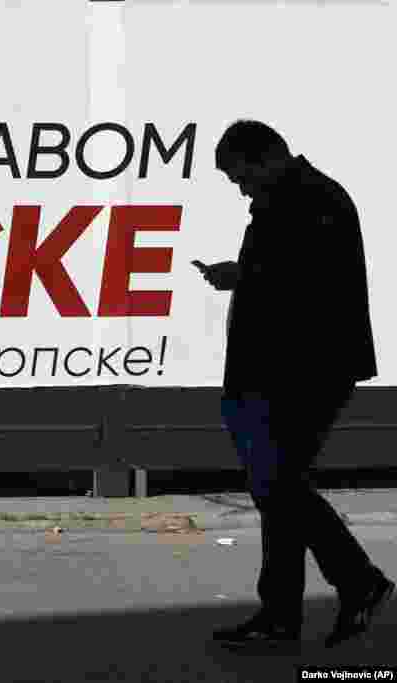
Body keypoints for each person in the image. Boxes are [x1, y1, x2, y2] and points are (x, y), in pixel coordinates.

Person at [199, 119, 394, 650]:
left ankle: (356, 583)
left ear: (264, 157)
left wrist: (243, 276)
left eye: (239, 176)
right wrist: (243, 275)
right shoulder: (290, 197)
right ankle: (282, 616)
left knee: (279, 485)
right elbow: (286, 274)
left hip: (306, 370)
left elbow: (310, 286)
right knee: (275, 491)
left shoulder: (312, 199)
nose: (239, 187)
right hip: (282, 370)